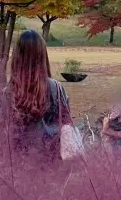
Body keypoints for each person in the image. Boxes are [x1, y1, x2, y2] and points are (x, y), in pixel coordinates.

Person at [4, 30, 73, 162]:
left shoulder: (8, 92)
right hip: (51, 160)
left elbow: (4, 131)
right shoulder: (56, 88)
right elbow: (66, 122)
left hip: (18, 163)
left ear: (17, 56)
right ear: (42, 55)